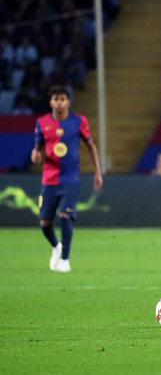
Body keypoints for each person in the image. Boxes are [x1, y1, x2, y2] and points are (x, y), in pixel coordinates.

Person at [31, 86, 103, 273]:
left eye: (63, 99)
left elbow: (91, 146)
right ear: (51, 102)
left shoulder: (79, 121)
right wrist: (36, 154)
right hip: (49, 179)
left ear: (68, 102)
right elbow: (38, 147)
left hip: (71, 178)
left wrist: (98, 172)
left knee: (65, 216)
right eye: (56, 99)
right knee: (45, 224)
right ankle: (57, 246)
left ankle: (65, 261)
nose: (59, 102)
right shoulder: (42, 122)